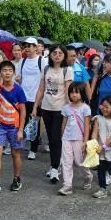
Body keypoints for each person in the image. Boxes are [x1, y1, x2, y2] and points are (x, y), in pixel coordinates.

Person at [0, 61, 27, 194]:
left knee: (15, 154)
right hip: (1, 127)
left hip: (14, 127)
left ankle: (17, 179)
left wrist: (20, 130)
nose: (7, 73)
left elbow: (23, 110)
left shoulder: (18, 89)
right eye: (4, 70)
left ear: (13, 73)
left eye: (10, 70)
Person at [34, 44, 73, 184]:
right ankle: (54, 165)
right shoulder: (45, 69)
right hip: (46, 108)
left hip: (60, 109)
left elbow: (69, 92)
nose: (57, 55)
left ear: (64, 56)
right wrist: (35, 107)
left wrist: (70, 111)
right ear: (50, 55)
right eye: (54, 53)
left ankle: (55, 169)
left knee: (56, 138)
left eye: (60, 53)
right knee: (50, 139)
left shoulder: (67, 70)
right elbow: (41, 89)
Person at [58, 83, 93, 196]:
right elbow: (63, 124)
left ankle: (88, 176)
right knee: (66, 162)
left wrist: (85, 141)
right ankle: (67, 185)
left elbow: (87, 126)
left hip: (79, 139)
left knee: (80, 162)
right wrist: (62, 135)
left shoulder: (85, 108)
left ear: (82, 94)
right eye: (72, 92)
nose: (74, 95)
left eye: (77, 92)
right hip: (67, 138)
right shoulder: (66, 108)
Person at [16, 37, 46, 159]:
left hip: (36, 98)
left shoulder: (42, 61)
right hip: (24, 97)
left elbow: (45, 80)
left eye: (29, 46)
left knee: (34, 123)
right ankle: (25, 142)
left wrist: (42, 97)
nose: (27, 48)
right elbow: (19, 78)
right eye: (25, 46)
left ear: (35, 47)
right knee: (24, 121)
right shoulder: (22, 61)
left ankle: (33, 149)